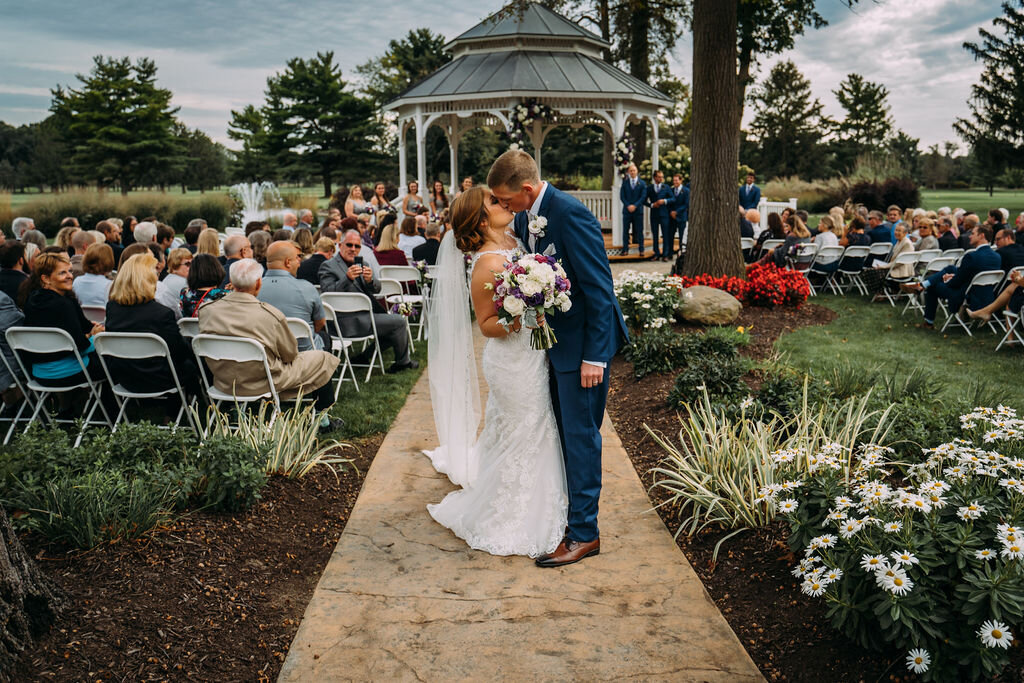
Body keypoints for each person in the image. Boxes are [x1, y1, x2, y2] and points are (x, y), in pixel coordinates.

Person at [484, 149, 629, 566]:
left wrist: (595, 359)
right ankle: (568, 519)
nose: (502, 207)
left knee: (581, 438)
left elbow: (601, 290)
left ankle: (585, 535)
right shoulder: (530, 215)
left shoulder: (570, 214)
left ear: (526, 189)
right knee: (563, 435)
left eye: (505, 200)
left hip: (583, 349)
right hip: (554, 345)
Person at [197, 259, 340, 429]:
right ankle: (322, 418)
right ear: (259, 283)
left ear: (231, 282)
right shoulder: (270, 315)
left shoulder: (207, 311)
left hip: (224, 381)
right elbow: (290, 355)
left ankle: (236, 410)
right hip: (262, 381)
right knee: (322, 358)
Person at [104, 252, 199, 402]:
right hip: (160, 379)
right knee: (189, 363)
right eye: (155, 274)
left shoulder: (112, 308)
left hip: (125, 378)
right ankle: (179, 410)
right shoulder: (161, 314)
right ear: (148, 279)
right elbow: (179, 352)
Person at [319, 229, 417, 374]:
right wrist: (347, 278)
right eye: (349, 245)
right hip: (343, 322)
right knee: (399, 323)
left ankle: (364, 357)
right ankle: (403, 362)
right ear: (340, 245)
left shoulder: (361, 263)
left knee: (392, 326)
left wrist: (370, 280)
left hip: (365, 316)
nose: (353, 249)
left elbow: (377, 289)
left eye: (357, 246)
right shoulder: (328, 266)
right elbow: (327, 293)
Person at [19, 253, 108, 405]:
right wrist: (94, 337)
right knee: (111, 362)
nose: (69, 276)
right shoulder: (63, 304)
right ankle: (113, 415)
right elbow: (81, 347)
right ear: (45, 279)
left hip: (39, 374)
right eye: (62, 273)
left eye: (70, 271)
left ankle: (70, 407)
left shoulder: (31, 300)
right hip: (69, 374)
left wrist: (88, 331)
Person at [900, 225, 1002, 328]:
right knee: (951, 268)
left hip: (967, 296)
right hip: (985, 295)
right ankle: (922, 285)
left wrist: (947, 280)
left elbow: (956, 283)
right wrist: (954, 276)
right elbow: (976, 274)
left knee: (933, 286)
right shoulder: (996, 256)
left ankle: (928, 321)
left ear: (981, 236)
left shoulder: (971, 256)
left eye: (973, 233)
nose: (970, 236)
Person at [258, 241, 328, 351]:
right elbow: (320, 323)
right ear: (288, 262)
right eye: (297, 258)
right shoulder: (307, 288)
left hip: (266, 354)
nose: (299, 263)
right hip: (304, 355)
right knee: (325, 337)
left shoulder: (253, 289)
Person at [155, 248, 191, 317]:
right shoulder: (185, 283)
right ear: (175, 266)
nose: (191, 267)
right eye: (187, 264)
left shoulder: (167, 278)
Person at [619, 163, 646, 257]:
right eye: (631, 170)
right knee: (625, 231)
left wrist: (635, 205)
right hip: (627, 211)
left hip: (638, 211)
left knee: (639, 231)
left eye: (634, 170)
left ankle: (641, 249)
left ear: (637, 171)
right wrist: (628, 205)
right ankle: (625, 249)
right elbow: (622, 196)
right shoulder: (625, 183)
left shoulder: (642, 183)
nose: (632, 172)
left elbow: (643, 197)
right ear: (628, 172)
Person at [645, 169, 672, 261]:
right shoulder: (649, 188)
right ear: (655, 178)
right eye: (659, 177)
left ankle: (665, 255)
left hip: (664, 214)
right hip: (654, 214)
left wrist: (664, 201)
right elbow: (644, 201)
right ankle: (656, 253)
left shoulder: (666, 187)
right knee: (655, 235)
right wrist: (652, 205)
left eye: (662, 177)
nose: (661, 178)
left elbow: (673, 199)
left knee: (665, 234)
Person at [667, 173, 689, 259]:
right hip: (671, 217)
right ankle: (670, 253)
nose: (675, 182)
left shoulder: (686, 191)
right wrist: (671, 212)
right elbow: (668, 203)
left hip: (681, 216)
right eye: (674, 180)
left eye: (676, 180)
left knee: (681, 236)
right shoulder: (671, 190)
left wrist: (677, 212)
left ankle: (680, 254)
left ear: (681, 180)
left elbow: (686, 204)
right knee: (670, 235)